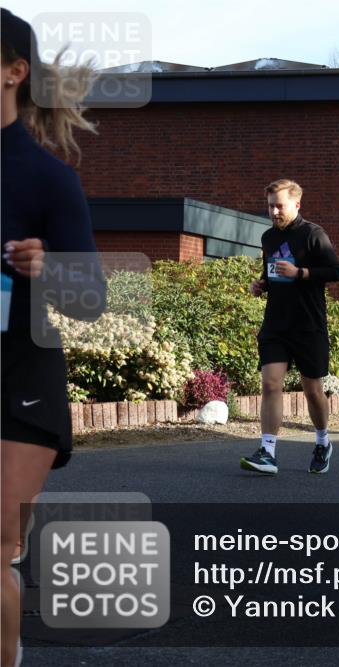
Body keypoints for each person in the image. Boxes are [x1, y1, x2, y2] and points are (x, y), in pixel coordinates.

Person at [1, 10, 107, 666]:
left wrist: (50, 269)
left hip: (21, 387)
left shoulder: (47, 178)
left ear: (13, 72)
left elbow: (92, 300)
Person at [240, 179, 339, 475]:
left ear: (296, 204)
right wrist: (261, 285)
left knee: (313, 390)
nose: (274, 212)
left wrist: (301, 272)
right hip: (276, 324)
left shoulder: (313, 234)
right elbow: (271, 273)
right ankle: (267, 452)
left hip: (308, 325)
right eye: (270, 206)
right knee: (271, 384)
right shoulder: (268, 237)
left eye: (279, 206)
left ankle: (322, 442)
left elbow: (335, 271)